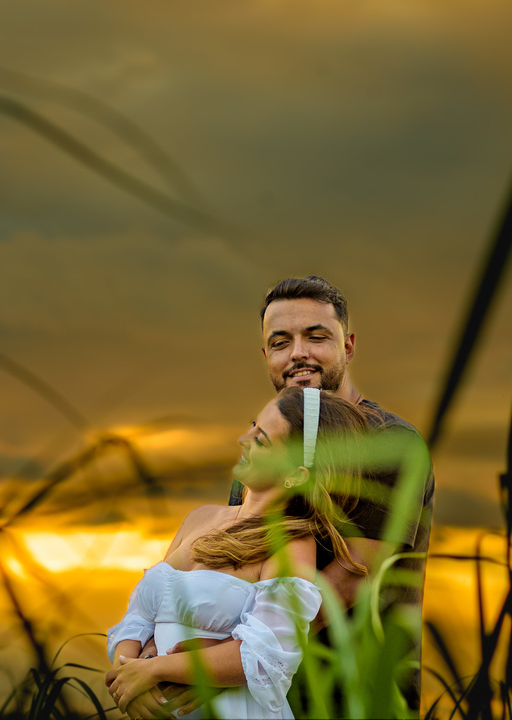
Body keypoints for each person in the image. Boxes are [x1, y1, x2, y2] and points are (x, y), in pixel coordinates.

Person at [125, 276, 434, 717]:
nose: (297, 353)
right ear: (266, 355)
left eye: (316, 336)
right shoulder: (264, 452)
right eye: (280, 341)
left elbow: (351, 579)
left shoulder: (387, 443)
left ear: (347, 346)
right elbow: (224, 570)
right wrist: (161, 649)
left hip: (356, 692)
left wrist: (206, 666)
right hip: (258, 697)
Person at [105, 387, 372, 720]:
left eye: (261, 440)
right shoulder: (198, 518)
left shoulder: (290, 545)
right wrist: (129, 676)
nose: (243, 440)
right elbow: (139, 617)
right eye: (252, 426)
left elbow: (267, 656)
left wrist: (157, 670)